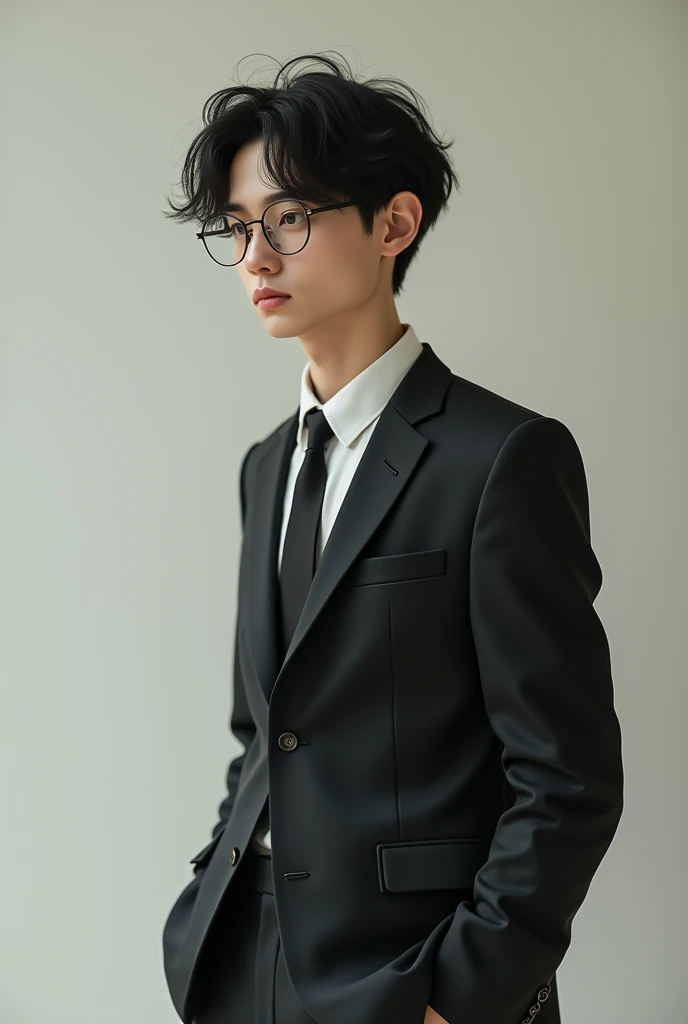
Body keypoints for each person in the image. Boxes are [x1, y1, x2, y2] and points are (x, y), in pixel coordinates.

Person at [160, 51, 624, 1024]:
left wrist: (464, 994)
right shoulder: (265, 465)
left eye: (287, 218)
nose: (255, 256)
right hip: (245, 963)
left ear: (393, 223)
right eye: (239, 227)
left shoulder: (501, 457)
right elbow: (266, 735)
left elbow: (564, 774)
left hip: (414, 978)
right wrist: (205, 904)